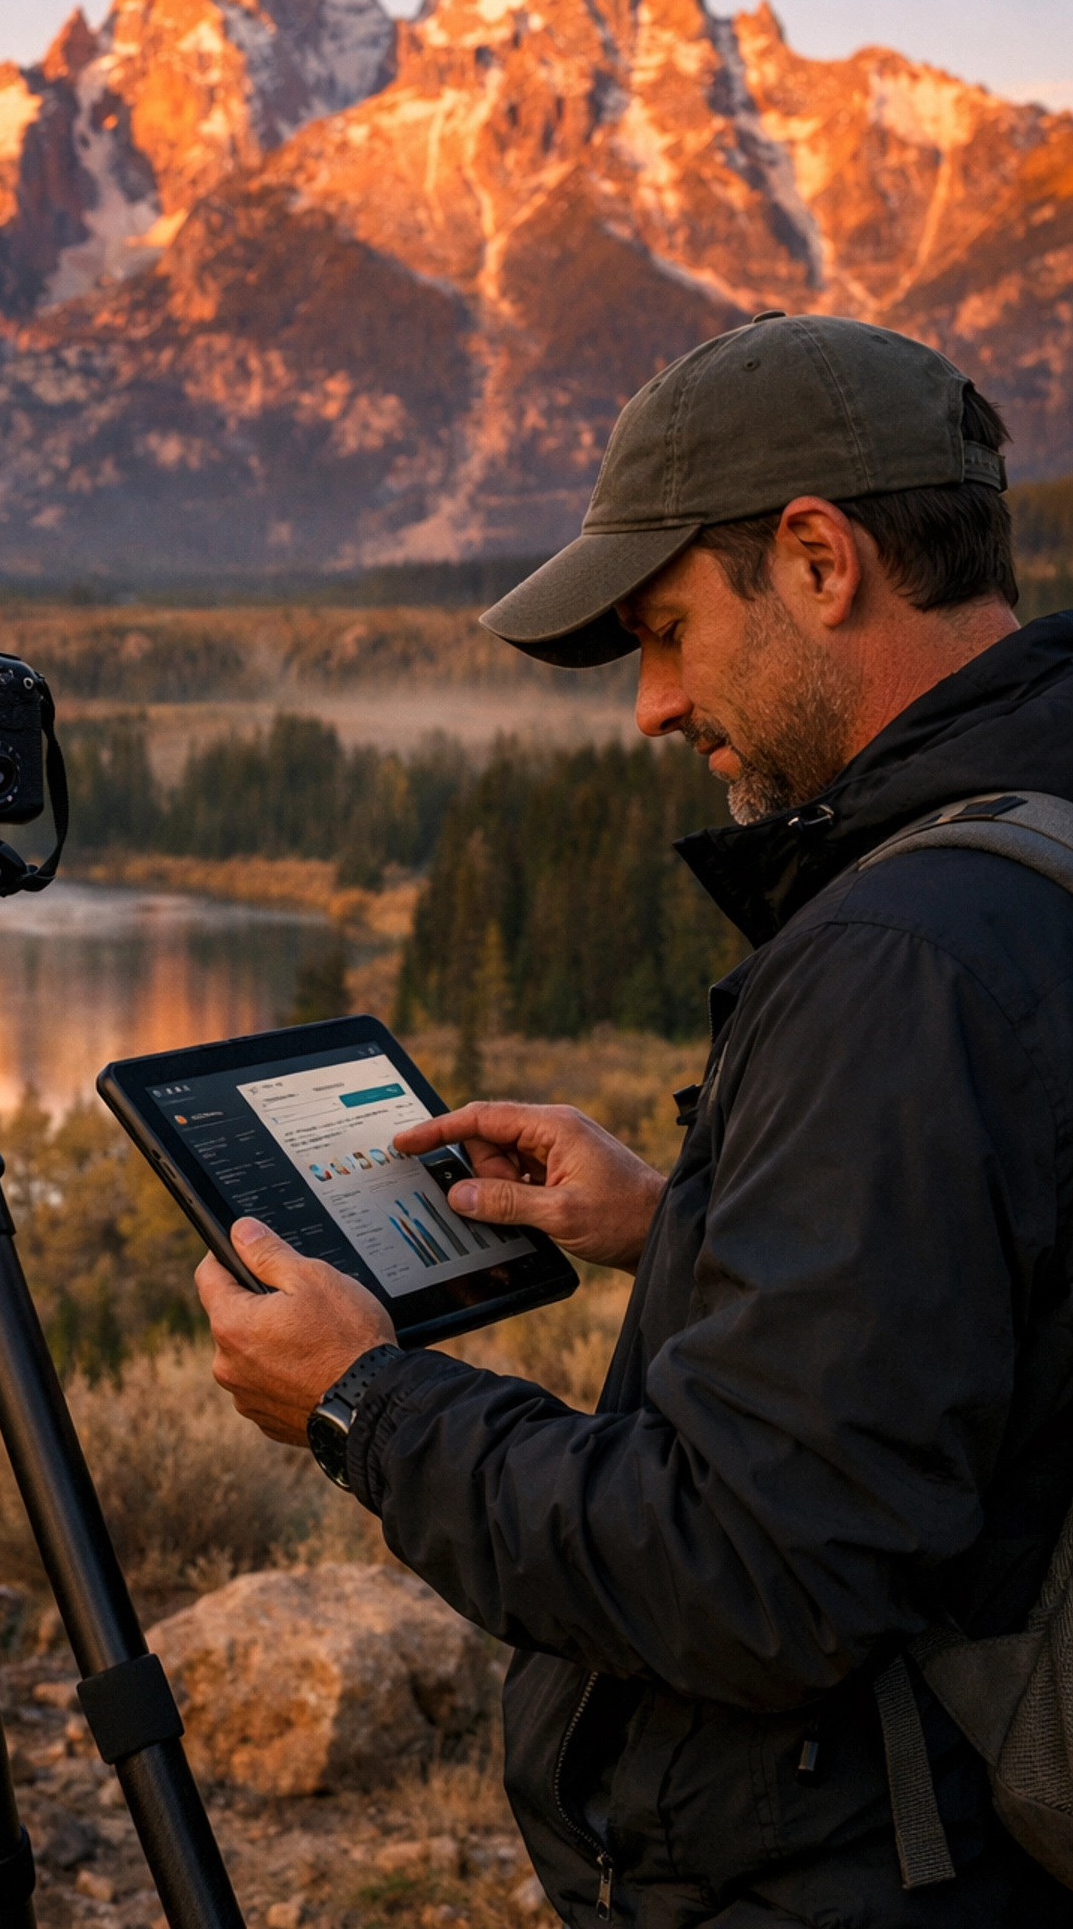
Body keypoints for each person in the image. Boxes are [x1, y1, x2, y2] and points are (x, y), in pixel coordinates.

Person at [196, 313, 1073, 1926]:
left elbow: (757, 1571)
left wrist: (364, 1406)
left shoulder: (900, 956)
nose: (651, 708)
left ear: (819, 560)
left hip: (882, 1874)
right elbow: (993, 1303)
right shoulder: (1038, 845)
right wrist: (685, 1221)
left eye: (670, 630)